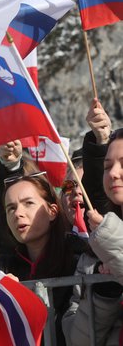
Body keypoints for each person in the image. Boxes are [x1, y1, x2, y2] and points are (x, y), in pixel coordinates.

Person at [0, 171, 78, 345]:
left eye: (28, 203)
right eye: (11, 208)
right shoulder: (4, 265)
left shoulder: (77, 256)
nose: (18, 213)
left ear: (52, 211)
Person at [63, 127, 123, 345]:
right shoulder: (92, 257)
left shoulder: (105, 240)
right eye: (107, 166)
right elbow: (79, 341)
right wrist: (104, 294)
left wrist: (111, 240)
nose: (114, 173)